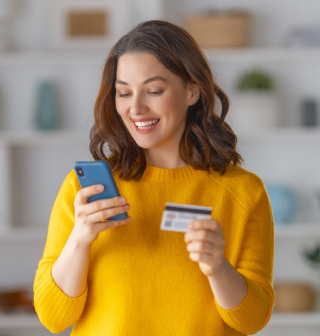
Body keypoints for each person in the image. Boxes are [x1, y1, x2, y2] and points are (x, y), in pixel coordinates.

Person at [34, 20, 274, 335]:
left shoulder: (243, 192)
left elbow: (254, 320)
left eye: (154, 91)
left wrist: (218, 268)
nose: (136, 108)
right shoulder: (85, 192)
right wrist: (80, 239)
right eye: (124, 93)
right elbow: (53, 317)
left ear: (192, 91)